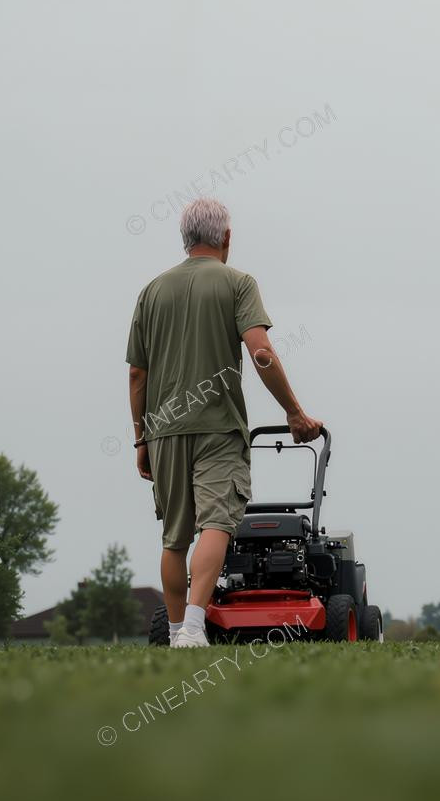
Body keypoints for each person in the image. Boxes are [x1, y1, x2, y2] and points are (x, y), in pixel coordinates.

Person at [126, 197, 322, 647]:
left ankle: (176, 633)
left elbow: (137, 373)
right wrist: (294, 412)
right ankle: (194, 627)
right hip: (217, 428)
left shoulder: (151, 292)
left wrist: (141, 440)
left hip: (163, 430)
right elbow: (261, 352)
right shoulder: (238, 283)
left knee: (174, 536)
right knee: (216, 522)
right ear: (226, 238)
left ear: (184, 239)